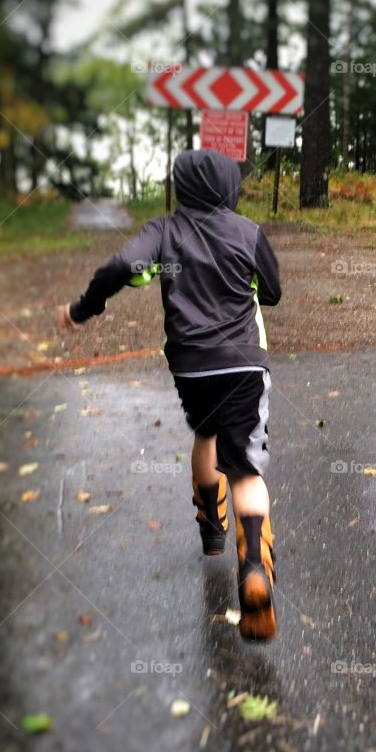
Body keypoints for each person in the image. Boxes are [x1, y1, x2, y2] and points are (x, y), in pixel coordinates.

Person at [57, 148, 282, 640]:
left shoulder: (163, 232)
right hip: (244, 362)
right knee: (246, 466)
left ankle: (211, 530)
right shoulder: (248, 231)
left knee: (205, 433)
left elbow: (121, 267)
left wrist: (81, 310)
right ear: (230, 187)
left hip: (191, 365)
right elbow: (271, 292)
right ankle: (256, 572)